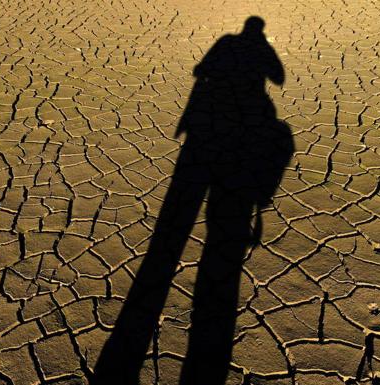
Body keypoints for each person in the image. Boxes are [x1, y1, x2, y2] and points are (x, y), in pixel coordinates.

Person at [92, 16, 293, 385]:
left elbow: (201, 69)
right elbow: (278, 79)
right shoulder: (260, 48)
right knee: (222, 230)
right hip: (237, 135)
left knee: (178, 215)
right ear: (260, 30)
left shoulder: (226, 43)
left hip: (206, 128)